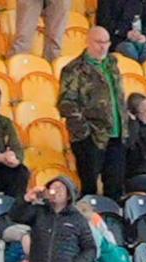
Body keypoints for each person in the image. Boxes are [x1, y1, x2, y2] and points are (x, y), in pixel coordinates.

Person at [58, 27, 127, 199]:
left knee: (115, 187)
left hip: (116, 134)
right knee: (89, 188)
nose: (103, 47)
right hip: (90, 137)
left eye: (106, 42)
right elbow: (66, 104)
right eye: (98, 42)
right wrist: (84, 133)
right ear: (87, 41)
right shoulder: (74, 69)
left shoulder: (112, 63)